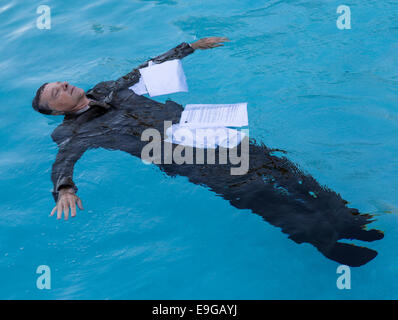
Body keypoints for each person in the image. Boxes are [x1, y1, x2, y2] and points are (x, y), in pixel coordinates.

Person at [32, 37, 383, 266]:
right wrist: (64, 188)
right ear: (56, 110)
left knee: (284, 170)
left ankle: (347, 220)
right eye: (55, 92)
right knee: (256, 193)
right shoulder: (72, 130)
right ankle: (325, 242)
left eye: (59, 82)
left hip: (206, 130)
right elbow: (64, 160)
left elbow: (145, 69)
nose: (63, 84)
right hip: (182, 156)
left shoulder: (107, 88)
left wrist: (191, 47)